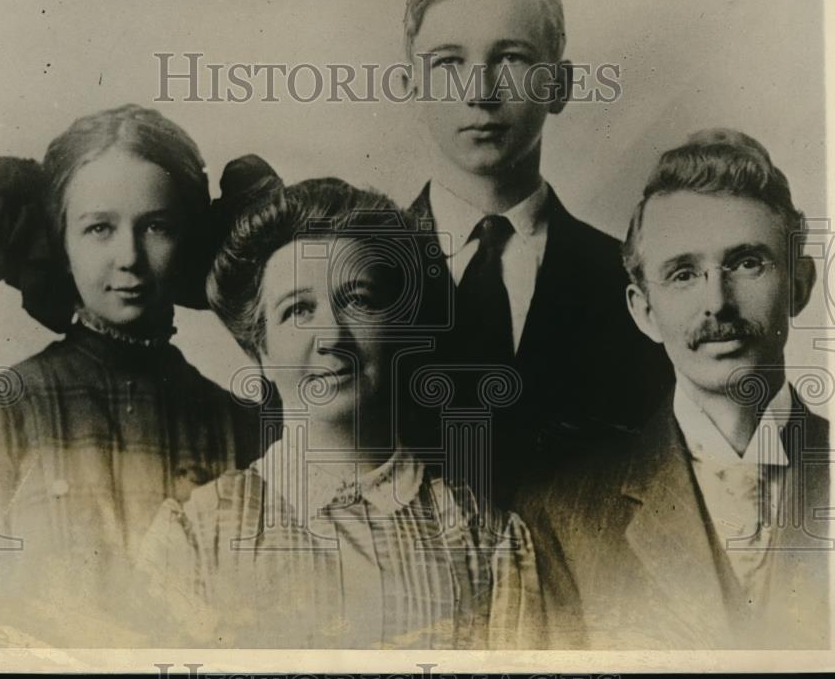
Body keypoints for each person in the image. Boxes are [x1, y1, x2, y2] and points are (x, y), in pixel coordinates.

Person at [139, 178, 582, 649]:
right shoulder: (196, 538)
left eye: (359, 301)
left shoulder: (486, 539)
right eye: (298, 311)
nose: (332, 334)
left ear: (398, 326)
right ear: (259, 350)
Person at [0, 104, 270, 646]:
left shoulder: (235, 422)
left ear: (190, 237)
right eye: (99, 227)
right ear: (60, 241)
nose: (128, 255)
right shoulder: (1, 409)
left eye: (156, 226)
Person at [515, 129, 829, 649]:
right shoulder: (562, 516)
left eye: (747, 263)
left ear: (799, 284)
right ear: (643, 311)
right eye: (684, 273)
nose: (718, 304)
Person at [401, 0, 672, 502]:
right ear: (411, 86)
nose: (480, 91)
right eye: (448, 62)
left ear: (559, 86)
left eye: (513, 58)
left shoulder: (638, 285)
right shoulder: (351, 277)